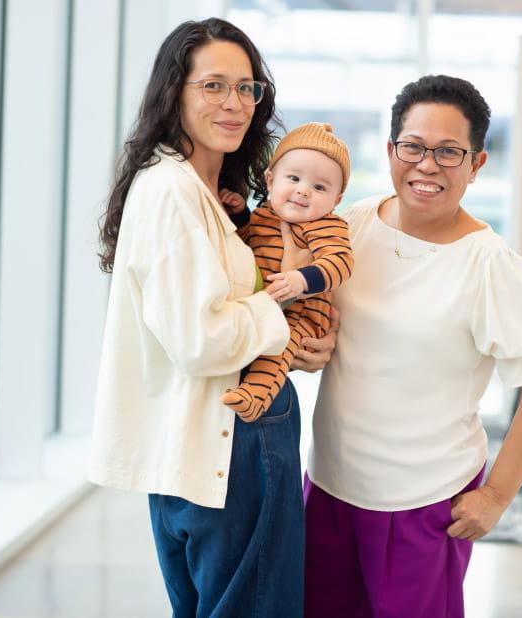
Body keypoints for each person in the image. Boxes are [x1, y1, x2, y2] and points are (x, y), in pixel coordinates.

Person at [299, 75, 522, 618]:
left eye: (448, 152)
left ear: (476, 164)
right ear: (391, 149)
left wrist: (496, 496)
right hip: (329, 485)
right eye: (414, 147)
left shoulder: (491, 266)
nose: (426, 165)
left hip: (425, 502)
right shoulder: (346, 228)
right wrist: (313, 345)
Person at [87, 18, 306, 617]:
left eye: (246, 87)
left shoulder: (212, 192)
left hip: (205, 440)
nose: (234, 103)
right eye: (213, 85)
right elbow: (203, 339)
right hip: (232, 440)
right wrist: (280, 309)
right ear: (174, 91)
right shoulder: (172, 192)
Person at [219, 122, 354, 422]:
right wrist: (240, 215)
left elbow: (341, 262)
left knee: (281, 344)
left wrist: (301, 280)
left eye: (320, 187)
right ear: (270, 180)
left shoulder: (327, 225)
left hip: (304, 314)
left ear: (337, 200)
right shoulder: (264, 216)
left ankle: (255, 397)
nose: (303, 191)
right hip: (262, 307)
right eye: (293, 178)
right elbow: (243, 247)